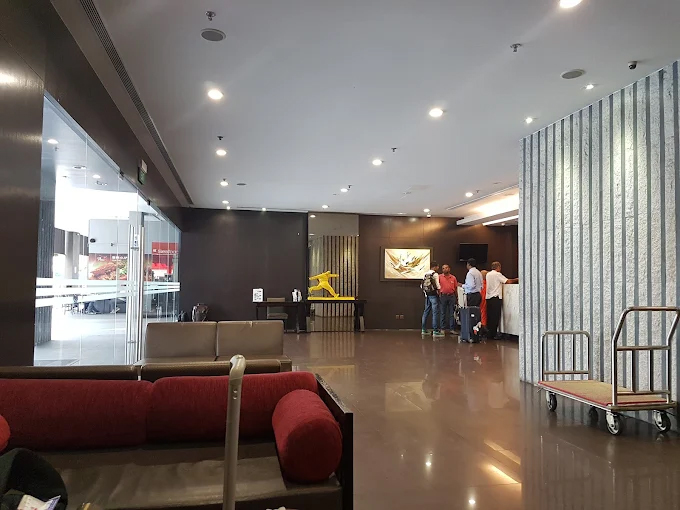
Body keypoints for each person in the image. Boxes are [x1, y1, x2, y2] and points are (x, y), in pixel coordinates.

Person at [486, 261, 519, 339]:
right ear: (498, 267)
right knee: (495, 316)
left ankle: (489, 333)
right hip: (496, 297)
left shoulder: (488, 274)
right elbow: (508, 281)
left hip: (488, 297)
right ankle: (493, 334)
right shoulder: (497, 274)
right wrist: (517, 279)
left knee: (490, 316)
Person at [421, 261, 443, 337]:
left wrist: (426, 294)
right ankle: (435, 331)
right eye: (437, 266)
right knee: (435, 312)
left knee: (426, 311)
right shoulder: (435, 274)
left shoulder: (425, 274)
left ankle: (423, 330)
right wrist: (439, 294)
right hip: (434, 295)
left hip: (427, 295)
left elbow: (422, 285)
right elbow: (438, 285)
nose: (438, 268)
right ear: (435, 267)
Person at [438, 264, 458, 333]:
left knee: (452, 313)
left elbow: (455, 288)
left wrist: (457, 297)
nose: (445, 269)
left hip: (451, 296)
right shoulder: (439, 277)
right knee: (442, 313)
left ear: (449, 269)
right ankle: (442, 329)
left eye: (446, 268)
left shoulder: (453, 278)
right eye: (443, 268)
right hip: (443, 296)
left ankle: (452, 329)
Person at [480, 270, 488, 335]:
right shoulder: (487, 283)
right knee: (484, 313)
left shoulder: (479, 283)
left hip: (480, 299)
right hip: (485, 299)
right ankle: (484, 327)